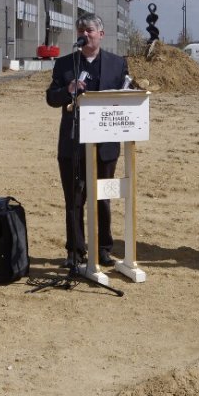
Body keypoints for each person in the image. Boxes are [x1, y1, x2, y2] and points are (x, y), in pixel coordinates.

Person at [46, 14, 130, 271]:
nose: (85, 33)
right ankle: (75, 250)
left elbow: (126, 97)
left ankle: (104, 249)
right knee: (74, 199)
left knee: (103, 197)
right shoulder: (64, 64)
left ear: (101, 34)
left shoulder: (118, 64)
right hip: (73, 144)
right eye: (81, 29)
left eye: (90, 29)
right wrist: (67, 90)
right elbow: (51, 98)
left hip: (105, 145)